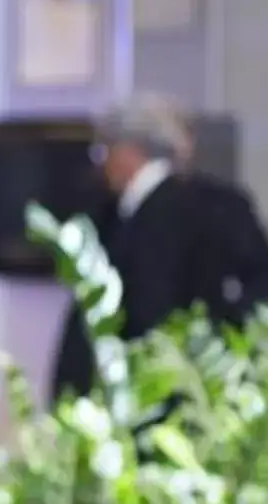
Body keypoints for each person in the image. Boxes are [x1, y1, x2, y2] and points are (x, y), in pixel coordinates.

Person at [53, 100, 268, 394]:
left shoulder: (123, 220)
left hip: (140, 397)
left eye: (103, 152)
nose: (102, 166)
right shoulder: (223, 204)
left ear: (127, 151)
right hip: (203, 394)